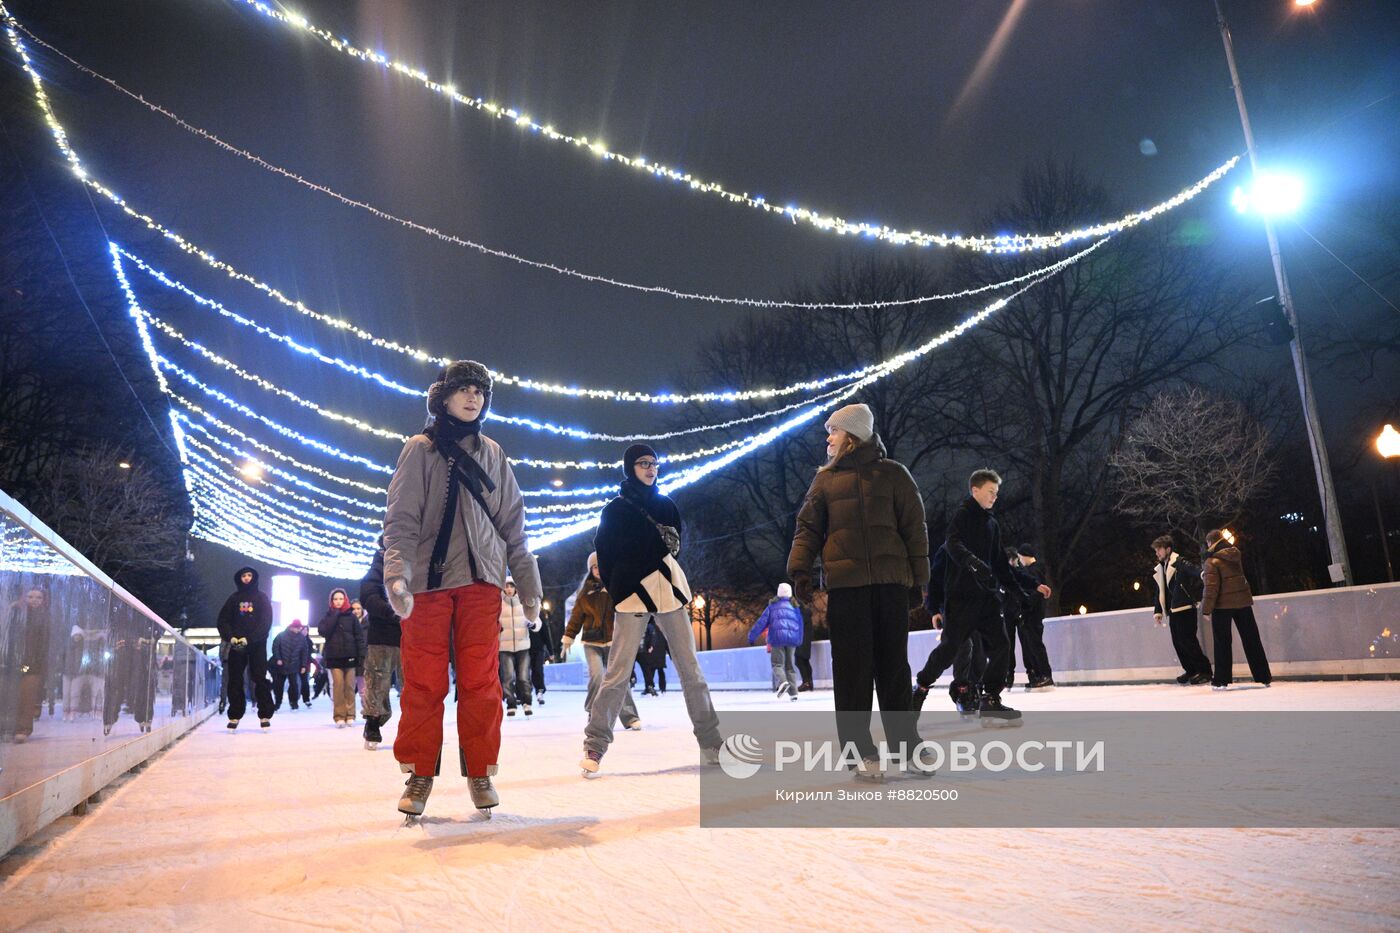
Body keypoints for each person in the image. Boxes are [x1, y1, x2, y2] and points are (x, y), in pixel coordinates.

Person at [383, 360, 542, 817]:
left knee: (481, 681)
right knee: (423, 682)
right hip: (429, 584)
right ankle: (418, 773)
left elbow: (513, 524)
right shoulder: (420, 449)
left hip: (482, 582)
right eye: (464, 390)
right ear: (443, 397)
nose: (473, 398)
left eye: (480, 391)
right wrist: (397, 576)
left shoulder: (493, 452)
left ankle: (480, 771)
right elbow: (401, 520)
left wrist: (528, 585)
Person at [787, 404, 932, 780]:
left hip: (890, 584)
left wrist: (919, 579)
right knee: (852, 670)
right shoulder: (825, 481)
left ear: (852, 435)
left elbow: (915, 529)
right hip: (847, 588)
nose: (827, 438)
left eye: (832, 431)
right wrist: (799, 571)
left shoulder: (894, 475)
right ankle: (859, 752)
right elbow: (807, 530)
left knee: (894, 668)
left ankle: (906, 746)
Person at [580, 444, 720, 774]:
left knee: (690, 670)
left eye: (655, 463)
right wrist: (618, 587)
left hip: (668, 590)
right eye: (644, 463)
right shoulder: (615, 509)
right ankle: (595, 745)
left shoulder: (666, 505)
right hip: (632, 594)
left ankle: (712, 742)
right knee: (616, 673)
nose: (651, 469)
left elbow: (674, 546)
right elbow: (605, 550)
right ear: (630, 468)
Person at [912, 469, 1048, 726]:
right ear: (975, 491)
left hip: (986, 599)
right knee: (950, 650)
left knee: (1002, 644)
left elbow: (1001, 565)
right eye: (990, 492)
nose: (994, 497)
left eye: (996, 493)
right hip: (961, 599)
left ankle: (990, 699)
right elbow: (952, 545)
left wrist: (1022, 591)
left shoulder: (992, 524)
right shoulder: (962, 516)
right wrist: (971, 563)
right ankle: (920, 687)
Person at [563, 551, 641, 729]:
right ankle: (593, 712)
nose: (598, 570)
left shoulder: (617, 586)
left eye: (600, 565)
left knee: (619, 679)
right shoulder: (585, 592)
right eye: (594, 567)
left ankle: (630, 717)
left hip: (614, 640)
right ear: (591, 569)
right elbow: (576, 616)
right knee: (597, 676)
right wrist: (569, 636)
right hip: (591, 641)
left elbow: (628, 608)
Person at [1200, 529, 1272, 690]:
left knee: (1222, 643)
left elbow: (1211, 588)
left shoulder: (1211, 561)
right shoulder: (1235, 556)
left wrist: (1206, 610)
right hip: (1243, 602)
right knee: (1252, 640)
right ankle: (1263, 676)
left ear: (1210, 543)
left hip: (1222, 606)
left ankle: (1221, 679)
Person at [216, 567, 275, 731]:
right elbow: (223, 620)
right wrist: (231, 637)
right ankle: (234, 714)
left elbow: (266, 622)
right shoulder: (234, 599)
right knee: (235, 680)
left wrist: (250, 639)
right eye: (244, 575)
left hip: (257, 645)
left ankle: (265, 714)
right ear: (239, 578)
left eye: (249, 575)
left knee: (259, 678)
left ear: (254, 577)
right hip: (237, 645)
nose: (247, 578)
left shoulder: (262, 597)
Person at [1150, 534, 1211, 686]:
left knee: (1188, 641)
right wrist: (1158, 611)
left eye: (1159, 550)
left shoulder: (1178, 562)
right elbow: (1160, 591)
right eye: (1156, 550)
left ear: (1168, 549)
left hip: (1185, 608)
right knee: (1178, 642)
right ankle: (1191, 670)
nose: (1157, 553)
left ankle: (1205, 671)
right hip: (1173, 611)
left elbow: (1193, 569)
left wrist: (1203, 574)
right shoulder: (1161, 568)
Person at [359, 542, 403, 750]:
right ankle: (373, 724)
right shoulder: (377, 568)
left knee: (414, 684)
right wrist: (393, 612)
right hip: (382, 636)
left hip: (410, 636)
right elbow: (368, 597)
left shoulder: (414, 562)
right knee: (378, 682)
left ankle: (417, 725)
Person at [0, 588, 50, 743]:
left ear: (43, 600)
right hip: (11, 662)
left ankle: (22, 729)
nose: (34, 600)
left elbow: (45, 644)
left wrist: (37, 663)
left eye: (38, 597)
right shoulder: (16, 613)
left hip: (33, 665)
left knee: (27, 697)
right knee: (8, 695)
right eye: (30, 596)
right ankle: (6, 728)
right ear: (24, 598)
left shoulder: (45, 618)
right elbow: (7, 637)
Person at [319, 588, 366, 726]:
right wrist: (335, 615)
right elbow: (323, 631)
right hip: (334, 657)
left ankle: (350, 714)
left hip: (350, 656)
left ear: (345, 599)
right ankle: (339, 716)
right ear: (331, 601)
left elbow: (359, 637)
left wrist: (361, 655)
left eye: (340, 599)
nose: (338, 601)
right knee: (338, 686)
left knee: (350, 686)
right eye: (335, 599)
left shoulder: (351, 617)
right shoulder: (328, 615)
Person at [747, 583, 803, 700]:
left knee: (777, 664)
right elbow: (800, 624)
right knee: (790, 666)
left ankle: (783, 682)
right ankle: (794, 694)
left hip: (777, 639)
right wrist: (799, 639)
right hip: (792, 640)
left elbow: (761, 623)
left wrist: (752, 637)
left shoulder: (772, 606)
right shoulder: (795, 606)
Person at [1011, 544, 1055, 689]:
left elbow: (1035, 593)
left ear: (1023, 556)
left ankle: (1045, 675)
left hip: (1032, 614)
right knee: (1031, 645)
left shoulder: (1034, 570)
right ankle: (1040, 675)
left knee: (1035, 645)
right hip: (1031, 614)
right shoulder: (1034, 570)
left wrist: (1026, 604)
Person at [498, 578, 539, 717]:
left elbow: (535, 619)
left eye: (511, 586)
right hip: (504, 646)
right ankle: (511, 703)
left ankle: (527, 702)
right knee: (508, 677)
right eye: (506, 586)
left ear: (516, 588)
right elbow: (492, 620)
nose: (509, 589)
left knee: (523, 677)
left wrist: (533, 625)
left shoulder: (523, 602)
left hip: (523, 645)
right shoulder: (498, 603)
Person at [270, 619, 311, 709]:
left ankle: (294, 703)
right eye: (298, 628)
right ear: (292, 627)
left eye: (300, 628)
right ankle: (277, 703)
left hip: (294, 665)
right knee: (279, 685)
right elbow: (275, 647)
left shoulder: (302, 638)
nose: (299, 630)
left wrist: (303, 665)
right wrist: (278, 658)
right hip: (281, 665)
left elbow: (305, 652)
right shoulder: (281, 636)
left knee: (294, 685)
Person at [528, 601, 555, 705]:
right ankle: (524, 693)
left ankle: (539, 691)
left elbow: (546, 634)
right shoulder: (522, 614)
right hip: (524, 647)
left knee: (537, 670)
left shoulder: (540, 616)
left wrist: (550, 651)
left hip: (538, 648)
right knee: (524, 672)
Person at [639, 619, 669, 695]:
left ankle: (649, 687)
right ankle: (663, 688)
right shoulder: (661, 632)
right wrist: (671, 655)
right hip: (661, 657)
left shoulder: (649, 630)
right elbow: (666, 644)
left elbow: (648, 642)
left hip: (651, 655)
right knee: (661, 672)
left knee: (650, 672)